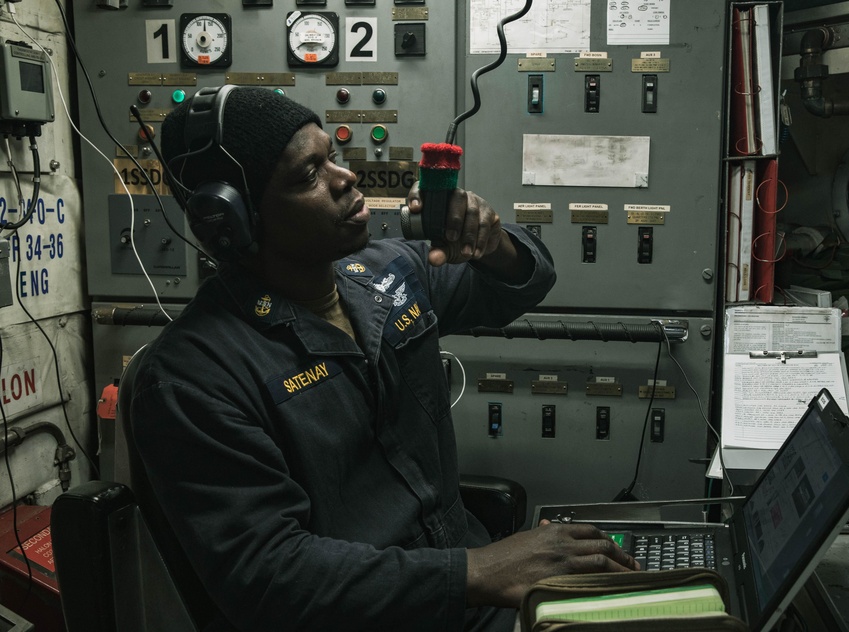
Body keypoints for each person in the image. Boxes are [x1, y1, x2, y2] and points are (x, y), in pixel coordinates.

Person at [128, 87, 637, 632]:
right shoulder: (192, 378)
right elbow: (271, 577)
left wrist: (492, 243)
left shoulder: (385, 271)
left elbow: (521, 284)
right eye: (308, 175)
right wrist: (478, 569)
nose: (345, 178)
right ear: (234, 222)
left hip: (472, 599)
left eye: (333, 157)